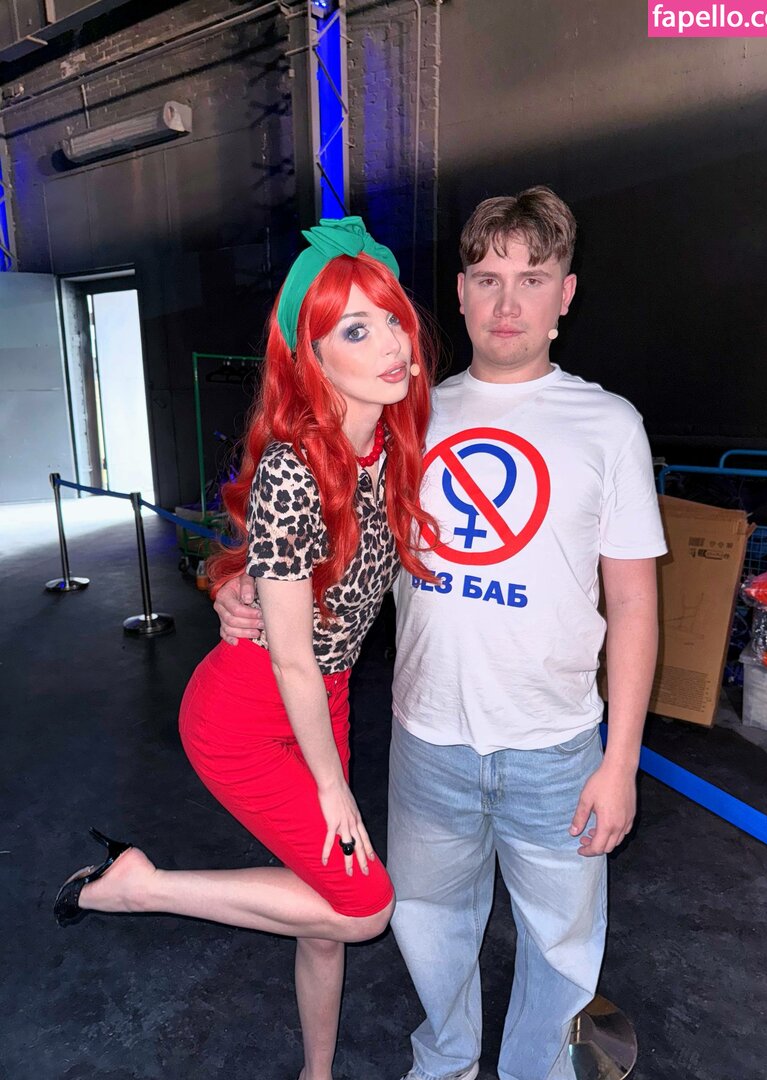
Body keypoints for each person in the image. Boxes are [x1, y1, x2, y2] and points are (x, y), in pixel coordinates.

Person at [215, 187, 667, 1080]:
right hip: (428, 737)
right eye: (488, 278)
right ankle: (448, 1059)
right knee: (428, 926)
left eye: (532, 278)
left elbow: (636, 607)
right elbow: (315, 521)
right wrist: (239, 587)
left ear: (566, 295)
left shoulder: (609, 426)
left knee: (562, 940)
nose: (508, 302)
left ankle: (536, 1069)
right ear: (458, 294)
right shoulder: (405, 414)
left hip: (555, 744)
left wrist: (620, 762)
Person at [53, 216, 439, 1080]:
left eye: (393, 319)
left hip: (322, 701)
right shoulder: (293, 467)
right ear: (311, 357)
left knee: (322, 918)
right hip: (249, 710)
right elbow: (292, 656)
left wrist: (232, 583)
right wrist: (333, 786)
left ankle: (316, 1073)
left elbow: (280, 581)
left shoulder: (394, 442)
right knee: (363, 907)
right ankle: (141, 887)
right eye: (356, 330)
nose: (391, 344)